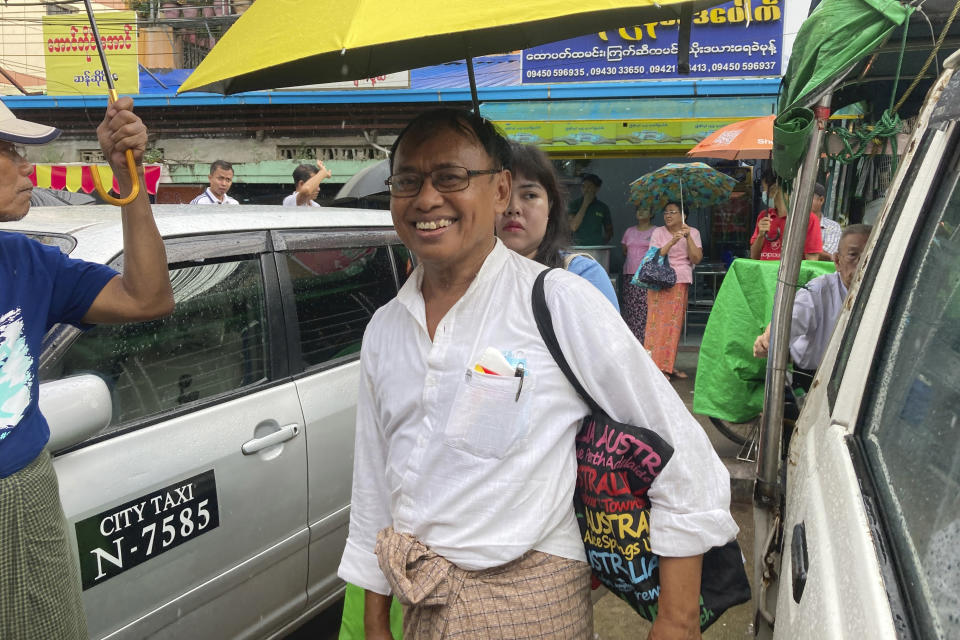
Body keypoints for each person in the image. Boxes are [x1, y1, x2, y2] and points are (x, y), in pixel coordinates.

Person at [337, 108, 737, 639]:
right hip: (421, 608)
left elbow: (683, 456)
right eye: (407, 181)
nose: (427, 199)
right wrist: (374, 622)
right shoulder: (385, 329)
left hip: (534, 606)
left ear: (500, 190)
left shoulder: (557, 300)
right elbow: (373, 487)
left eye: (451, 177)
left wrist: (678, 621)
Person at [0, 98, 174, 639]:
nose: (28, 165)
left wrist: (129, 182)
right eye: (8, 149)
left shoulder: (26, 262)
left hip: (18, 503)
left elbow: (147, 298)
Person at [496, 141, 618, 309]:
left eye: (530, 195)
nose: (513, 208)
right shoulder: (467, 279)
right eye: (501, 194)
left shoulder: (582, 276)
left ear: (550, 206)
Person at [753, 224, 871, 386]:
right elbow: (788, 322)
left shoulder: (887, 292)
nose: (863, 263)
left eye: (870, 255)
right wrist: (768, 340)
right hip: (813, 377)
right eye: (853, 255)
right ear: (837, 261)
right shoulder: (818, 291)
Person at [644, 202, 702, 380]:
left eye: (672, 212)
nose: (668, 215)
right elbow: (654, 256)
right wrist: (673, 241)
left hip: (680, 280)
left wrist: (687, 237)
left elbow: (696, 259)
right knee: (655, 323)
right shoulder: (658, 232)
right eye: (666, 212)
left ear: (683, 215)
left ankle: (667, 366)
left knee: (673, 325)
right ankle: (653, 366)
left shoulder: (694, 232)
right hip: (658, 280)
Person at [749, 170, 822, 261]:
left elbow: (811, 261)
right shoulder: (764, 216)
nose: (764, 194)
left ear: (774, 188)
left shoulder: (808, 219)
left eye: (764, 189)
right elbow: (753, 257)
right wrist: (760, 235)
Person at [621, 193, 657, 344]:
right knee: (630, 308)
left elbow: (657, 253)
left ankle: (645, 341)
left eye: (645, 210)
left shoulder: (656, 231)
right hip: (629, 274)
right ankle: (632, 341)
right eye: (639, 210)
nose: (641, 212)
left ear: (652, 213)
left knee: (644, 310)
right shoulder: (629, 231)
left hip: (645, 276)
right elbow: (624, 250)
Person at [568, 173, 612, 246]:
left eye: (589, 186)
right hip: (578, 248)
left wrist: (601, 243)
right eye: (583, 186)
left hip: (597, 249)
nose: (586, 190)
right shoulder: (574, 204)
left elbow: (609, 231)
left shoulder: (602, 207)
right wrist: (585, 204)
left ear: (597, 189)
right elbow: (573, 227)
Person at [812, 183, 841, 259]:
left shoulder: (833, 227)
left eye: (808, 198)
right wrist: (818, 247)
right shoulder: (791, 223)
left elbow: (831, 255)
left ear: (821, 200)